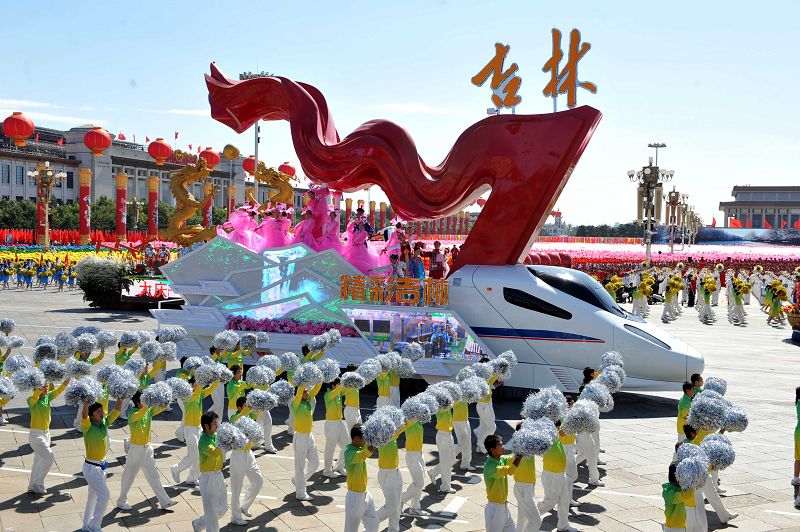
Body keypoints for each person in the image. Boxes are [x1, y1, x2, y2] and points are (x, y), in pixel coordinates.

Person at [116, 390, 176, 511]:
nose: (146, 404)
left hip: (147, 448)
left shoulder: (147, 409)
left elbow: (160, 408)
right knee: (129, 476)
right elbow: (140, 414)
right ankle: (121, 501)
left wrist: (167, 399)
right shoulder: (132, 414)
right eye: (144, 401)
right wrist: (148, 404)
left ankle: (165, 501)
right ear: (138, 402)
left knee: (154, 476)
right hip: (136, 449)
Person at [81, 398, 122, 532]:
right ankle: (95, 525)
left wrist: (120, 397)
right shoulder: (87, 426)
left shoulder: (104, 423)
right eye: (98, 411)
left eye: (101, 410)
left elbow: (116, 411)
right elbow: (84, 416)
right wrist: (86, 403)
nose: (101, 413)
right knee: (104, 496)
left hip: (102, 467)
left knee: (92, 497)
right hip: (91, 468)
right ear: (92, 415)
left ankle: (86, 526)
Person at [172, 377, 219, 486]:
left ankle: (192, 478)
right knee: (195, 455)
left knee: (196, 455)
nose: (198, 384)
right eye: (197, 383)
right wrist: (202, 383)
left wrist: (217, 379)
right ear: (191, 385)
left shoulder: (199, 394)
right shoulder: (187, 397)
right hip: (190, 430)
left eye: (199, 383)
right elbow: (197, 394)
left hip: (199, 428)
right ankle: (176, 469)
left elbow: (211, 389)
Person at [27, 378, 69, 494]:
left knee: (38, 460)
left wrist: (65, 382)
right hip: (36, 435)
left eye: (46, 387)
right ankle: (38, 483)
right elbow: (35, 397)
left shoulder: (47, 397)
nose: (46, 389)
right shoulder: (31, 400)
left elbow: (57, 391)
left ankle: (31, 486)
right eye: (43, 387)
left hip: (47, 433)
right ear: (36, 389)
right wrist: (39, 389)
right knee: (49, 457)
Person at [228, 398, 264, 526]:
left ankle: (244, 506)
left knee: (258, 481)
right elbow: (236, 420)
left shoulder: (250, 417)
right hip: (238, 455)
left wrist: (261, 403)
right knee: (236, 488)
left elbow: (258, 413)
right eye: (245, 405)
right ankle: (235, 517)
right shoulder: (234, 418)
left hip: (249, 453)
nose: (248, 407)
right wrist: (247, 410)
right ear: (239, 408)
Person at [191, 411, 228, 532]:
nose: (218, 426)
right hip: (208, 478)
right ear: (206, 426)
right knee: (212, 512)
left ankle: (198, 524)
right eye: (215, 424)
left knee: (223, 508)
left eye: (218, 423)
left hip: (218, 475)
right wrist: (224, 440)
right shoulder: (203, 441)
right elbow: (214, 452)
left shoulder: (215, 436)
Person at [538, 420, 576, 532]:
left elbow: (564, 433)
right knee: (549, 502)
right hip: (552, 474)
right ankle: (528, 517)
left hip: (560, 473)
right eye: (557, 427)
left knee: (565, 500)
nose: (559, 429)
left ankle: (563, 526)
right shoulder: (545, 437)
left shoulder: (556, 434)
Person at [376, 421, 412, 532]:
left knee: (397, 503)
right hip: (388, 474)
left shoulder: (392, 435)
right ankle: (371, 520)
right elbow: (403, 427)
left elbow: (404, 426)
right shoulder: (384, 437)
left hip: (395, 471)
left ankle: (393, 529)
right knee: (391, 505)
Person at [483, 434, 522, 532]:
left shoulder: (502, 459)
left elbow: (512, 458)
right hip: (495, 509)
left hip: (504, 508)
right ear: (492, 450)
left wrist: (521, 451)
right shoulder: (490, 466)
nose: (503, 447)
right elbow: (510, 471)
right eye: (500, 445)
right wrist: (519, 457)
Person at [344, 424, 378, 532]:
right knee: (350, 530)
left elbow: (366, 449)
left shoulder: (360, 446)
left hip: (366, 494)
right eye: (365, 438)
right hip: (354, 497)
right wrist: (375, 443)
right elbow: (363, 454)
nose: (366, 441)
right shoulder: (349, 453)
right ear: (356, 438)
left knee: (373, 526)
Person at [292, 383, 322, 500]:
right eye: (304, 391)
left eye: (306, 391)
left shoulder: (308, 401)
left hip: (309, 435)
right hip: (300, 436)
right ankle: (300, 493)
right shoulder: (295, 403)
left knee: (315, 463)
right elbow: (299, 394)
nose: (307, 393)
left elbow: (315, 389)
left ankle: (298, 480)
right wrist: (302, 383)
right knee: (300, 466)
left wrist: (319, 379)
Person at [512, 422, 542, 532]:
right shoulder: (521, 444)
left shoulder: (527, 444)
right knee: (536, 521)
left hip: (526, 485)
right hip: (524, 487)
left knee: (522, 516)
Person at [428, 404, 457, 493]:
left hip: (449, 434)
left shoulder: (447, 405)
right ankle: (445, 486)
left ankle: (433, 472)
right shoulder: (440, 406)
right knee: (446, 463)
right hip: (442, 435)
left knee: (452, 459)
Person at [322, 379, 348, 477]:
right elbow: (339, 390)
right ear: (333, 386)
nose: (340, 386)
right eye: (338, 384)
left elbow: (346, 389)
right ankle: (327, 470)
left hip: (340, 422)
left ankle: (339, 466)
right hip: (331, 424)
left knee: (347, 445)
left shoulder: (338, 393)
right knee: (330, 448)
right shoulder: (328, 394)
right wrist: (344, 382)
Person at [400, 418, 425, 515]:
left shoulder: (418, 420)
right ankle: (400, 500)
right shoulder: (408, 420)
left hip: (419, 453)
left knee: (419, 483)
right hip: (412, 455)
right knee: (419, 483)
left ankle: (414, 508)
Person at [663, 462, 696, 532]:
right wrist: (691, 481)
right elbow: (687, 495)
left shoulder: (682, 488)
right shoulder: (668, 492)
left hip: (679, 524)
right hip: (675, 525)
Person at [474, 371, 498, 455]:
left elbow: (493, 379)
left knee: (483, 426)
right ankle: (482, 444)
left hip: (486, 405)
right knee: (492, 427)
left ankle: (479, 447)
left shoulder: (487, 380)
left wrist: (499, 371)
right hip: (482, 406)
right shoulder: (479, 381)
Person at [452, 395, 474, 471]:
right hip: (459, 422)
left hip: (464, 420)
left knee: (466, 444)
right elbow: (452, 404)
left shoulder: (464, 392)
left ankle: (465, 464)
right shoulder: (455, 393)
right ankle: (450, 455)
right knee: (463, 444)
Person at [794, 386, 800, 508]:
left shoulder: (798, 403)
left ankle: (795, 478)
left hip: (798, 432)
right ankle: (799, 498)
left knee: (798, 458)